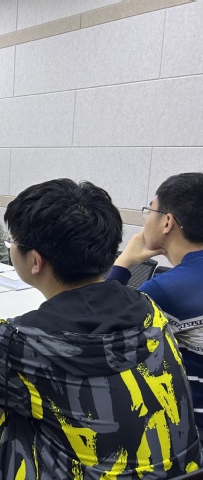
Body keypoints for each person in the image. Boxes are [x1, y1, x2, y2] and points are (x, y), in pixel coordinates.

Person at [0, 178, 203, 479]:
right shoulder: (149, 311)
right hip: (182, 471)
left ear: (35, 261)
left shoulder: (22, 340)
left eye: (12, 240)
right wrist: (3, 341)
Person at [107, 172, 203, 433]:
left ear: (167, 222)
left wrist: (124, 261)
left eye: (150, 210)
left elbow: (97, 330)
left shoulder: (166, 291)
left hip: (189, 437)